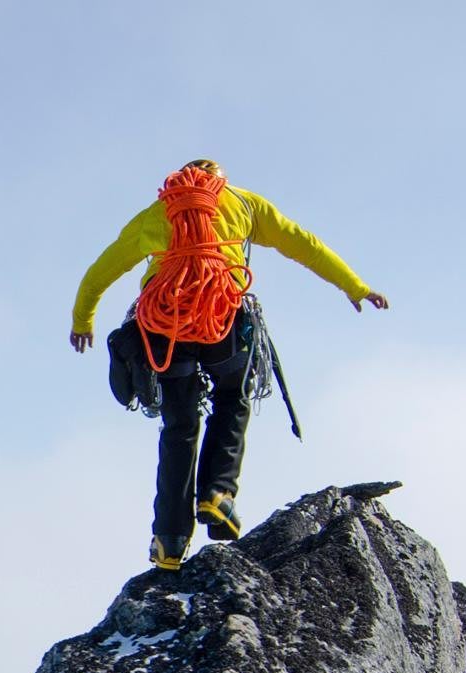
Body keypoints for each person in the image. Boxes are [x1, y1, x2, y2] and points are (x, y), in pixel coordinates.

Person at [70, 160, 386, 569]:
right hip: (221, 320)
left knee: (180, 427)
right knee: (232, 397)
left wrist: (83, 320)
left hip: (165, 327)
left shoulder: (156, 216)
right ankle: (218, 496)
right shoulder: (241, 204)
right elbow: (300, 241)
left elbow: (100, 272)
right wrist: (353, 285)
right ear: (219, 181)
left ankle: (169, 540)